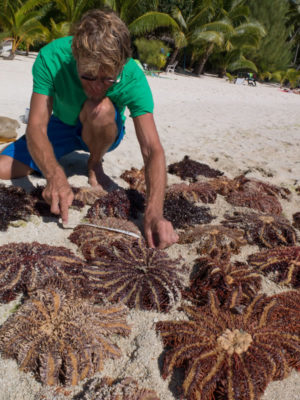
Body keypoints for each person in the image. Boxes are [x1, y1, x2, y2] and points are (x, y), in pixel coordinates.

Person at [0, 9, 178, 249]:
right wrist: (54, 174)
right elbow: (36, 126)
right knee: (3, 168)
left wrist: (155, 212)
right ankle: (60, 158)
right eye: (88, 76)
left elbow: (152, 149)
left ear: (123, 64)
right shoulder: (51, 58)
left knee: (101, 106)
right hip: (61, 124)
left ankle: (94, 163)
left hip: (104, 127)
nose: (96, 86)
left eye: (108, 80)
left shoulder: (133, 78)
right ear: (75, 55)